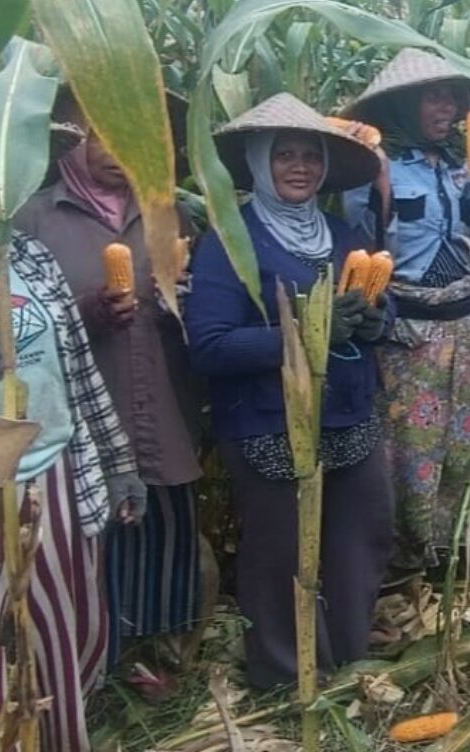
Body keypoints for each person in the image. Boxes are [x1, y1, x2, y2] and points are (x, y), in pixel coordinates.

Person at [0, 78, 143, 752]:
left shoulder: (23, 252)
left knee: (58, 633)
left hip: (54, 479)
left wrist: (120, 465)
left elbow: (76, 371)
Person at [185, 92, 393, 687]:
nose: (299, 167)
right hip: (268, 420)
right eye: (284, 156)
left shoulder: (338, 230)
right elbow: (210, 346)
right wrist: (304, 333)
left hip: (348, 413)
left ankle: (347, 658)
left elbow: (379, 301)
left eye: (310, 156)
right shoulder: (230, 241)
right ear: (257, 163)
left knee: (361, 535)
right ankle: (285, 674)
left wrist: (381, 319)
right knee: (280, 554)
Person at [15, 91, 204, 667]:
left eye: (129, 139)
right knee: (97, 530)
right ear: (74, 139)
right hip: (86, 403)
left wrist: (184, 303)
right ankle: (98, 656)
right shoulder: (34, 217)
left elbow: (204, 298)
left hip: (166, 399)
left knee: (168, 524)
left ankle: (163, 650)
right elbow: (19, 316)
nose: (116, 153)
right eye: (102, 138)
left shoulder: (170, 213)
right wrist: (86, 312)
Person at [340, 48, 470, 578]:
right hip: (409, 329)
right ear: (405, 105)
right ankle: (412, 558)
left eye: (453, 98)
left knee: (468, 442)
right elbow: (365, 248)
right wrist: (381, 187)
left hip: (467, 320)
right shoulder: (373, 164)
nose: (450, 109)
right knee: (411, 449)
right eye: (435, 97)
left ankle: (466, 554)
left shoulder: (460, 163)